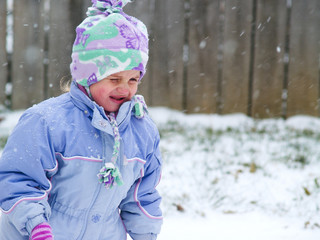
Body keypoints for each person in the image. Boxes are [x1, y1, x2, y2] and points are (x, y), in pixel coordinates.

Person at [0, 0, 163, 239]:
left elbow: (142, 196)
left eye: (133, 79)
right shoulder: (47, 122)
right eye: (114, 79)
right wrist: (36, 225)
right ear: (88, 76)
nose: (125, 88)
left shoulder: (141, 131)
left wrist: (146, 234)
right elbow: (19, 179)